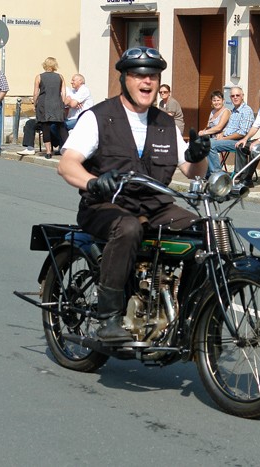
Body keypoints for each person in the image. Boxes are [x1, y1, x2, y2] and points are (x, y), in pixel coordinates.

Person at [58, 46, 210, 342]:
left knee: (205, 232)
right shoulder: (99, 117)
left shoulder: (165, 123)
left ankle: (189, 317)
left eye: (153, 75)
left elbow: (193, 171)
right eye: (139, 75)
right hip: (106, 205)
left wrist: (200, 155)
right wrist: (92, 183)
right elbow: (66, 165)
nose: (147, 81)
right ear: (124, 79)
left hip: (155, 206)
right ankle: (109, 318)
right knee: (128, 228)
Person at [204, 86, 254, 178]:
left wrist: (224, 138)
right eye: (232, 96)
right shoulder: (234, 111)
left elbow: (242, 133)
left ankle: (217, 175)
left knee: (210, 144)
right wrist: (222, 134)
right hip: (228, 139)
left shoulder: (246, 111)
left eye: (237, 95)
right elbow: (228, 128)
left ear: (242, 96)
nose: (235, 97)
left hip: (239, 142)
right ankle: (208, 173)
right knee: (204, 142)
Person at [32, 57, 67, 159]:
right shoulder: (60, 77)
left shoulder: (39, 77)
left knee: (45, 127)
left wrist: (35, 104)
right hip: (57, 103)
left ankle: (48, 152)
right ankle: (68, 150)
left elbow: (35, 93)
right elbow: (63, 92)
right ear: (55, 65)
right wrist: (63, 103)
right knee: (61, 127)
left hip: (44, 104)